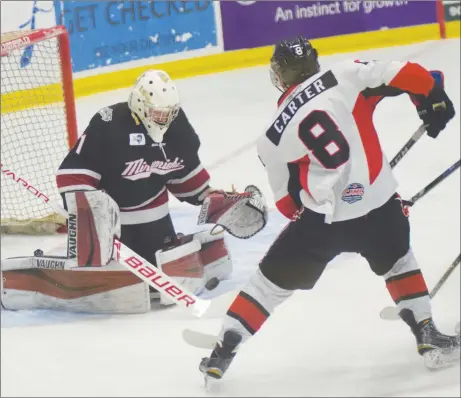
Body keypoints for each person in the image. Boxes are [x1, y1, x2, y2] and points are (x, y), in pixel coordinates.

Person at [199, 36, 459, 380]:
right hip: (381, 209)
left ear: (280, 74)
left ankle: (223, 350)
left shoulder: (271, 136)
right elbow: (410, 74)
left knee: (267, 287)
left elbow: (287, 203)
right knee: (399, 263)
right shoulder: (346, 75)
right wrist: (431, 94)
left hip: (322, 222)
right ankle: (427, 333)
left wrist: (313, 221)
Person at [55, 69, 260, 302]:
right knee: (124, 277)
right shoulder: (109, 123)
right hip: (113, 225)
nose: (165, 119)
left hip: (157, 221)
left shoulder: (178, 127)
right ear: (141, 106)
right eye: (158, 113)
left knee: (156, 276)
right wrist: (85, 205)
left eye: (169, 113)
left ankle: (182, 250)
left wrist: (207, 195)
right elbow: (75, 171)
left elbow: (182, 174)